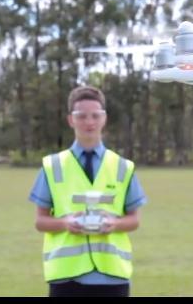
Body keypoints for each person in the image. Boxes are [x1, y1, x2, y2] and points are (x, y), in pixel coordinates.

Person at [28, 85, 147, 297]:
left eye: (95, 115)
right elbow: (40, 221)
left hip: (112, 276)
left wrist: (114, 224)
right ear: (70, 120)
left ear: (104, 118)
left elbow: (134, 220)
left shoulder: (123, 167)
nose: (89, 122)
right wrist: (65, 223)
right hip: (66, 278)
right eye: (81, 116)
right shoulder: (52, 166)